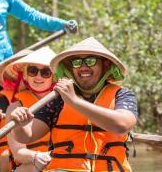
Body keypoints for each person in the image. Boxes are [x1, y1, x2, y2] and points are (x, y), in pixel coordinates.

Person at [9, 37, 138, 172]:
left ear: (105, 65)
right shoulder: (58, 98)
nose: (83, 67)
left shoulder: (122, 95)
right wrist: (20, 125)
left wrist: (75, 101)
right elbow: (26, 136)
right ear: (70, 68)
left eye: (90, 61)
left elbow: (122, 125)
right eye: (77, 62)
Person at [0, 47, 57, 172]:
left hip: (50, 160)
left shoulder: (57, 100)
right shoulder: (2, 103)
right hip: (12, 164)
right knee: (4, 158)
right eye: (32, 71)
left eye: (45, 72)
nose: (38, 76)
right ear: (23, 75)